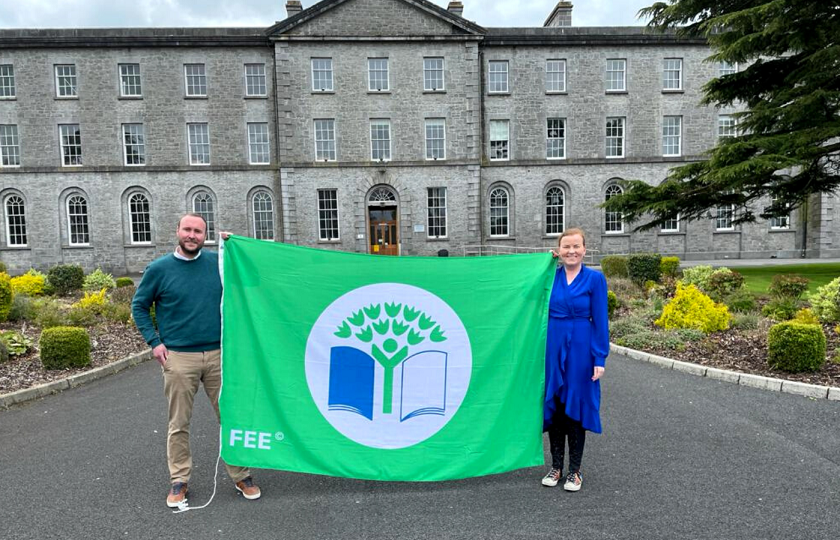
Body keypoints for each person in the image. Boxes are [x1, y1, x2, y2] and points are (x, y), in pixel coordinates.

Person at [132, 213, 261, 508]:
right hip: (179, 358)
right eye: (187, 229)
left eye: (199, 231)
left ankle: (242, 475)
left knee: (231, 418)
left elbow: (252, 281)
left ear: (206, 235)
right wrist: (154, 342)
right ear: (177, 231)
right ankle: (179, 480)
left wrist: (237, 247)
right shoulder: (159, 269)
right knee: (179, 422)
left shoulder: (218, 264)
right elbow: (139, 305)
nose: (192, 235)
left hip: (219, 355)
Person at [541, 228, 609, 491]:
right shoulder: (550, 277)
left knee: (575, 408)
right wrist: (543, 264)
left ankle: (575, 471)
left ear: (584, 249)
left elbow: (601, 320)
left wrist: (599, 357)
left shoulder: (594, 279)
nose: (571, 251)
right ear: (558, 250)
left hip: (581, 347)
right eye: (566, 247)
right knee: (555, 406)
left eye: (576, 246)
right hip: (552, 346)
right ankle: (556, 466)